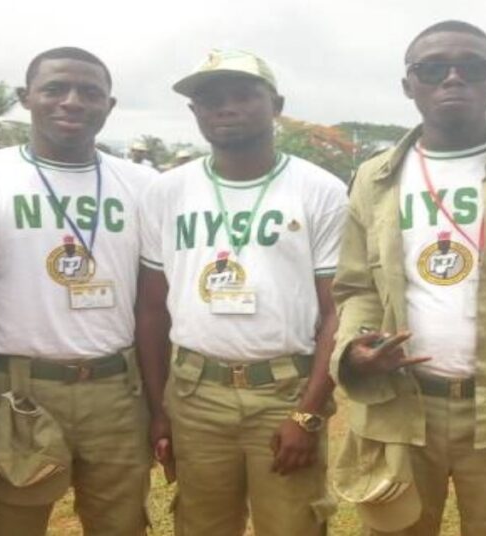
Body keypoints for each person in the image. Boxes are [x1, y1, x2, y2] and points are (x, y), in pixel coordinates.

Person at [329, 20, 486, 535]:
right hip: (401, 408)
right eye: (433, 69)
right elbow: (356, 287)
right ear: (409, 85)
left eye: (471, 67)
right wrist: (355, 349)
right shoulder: (375, 176)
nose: (453, 79)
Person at [0, 47, 159, 535]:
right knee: (14, 523)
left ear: (110, 105)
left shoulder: (144, 185)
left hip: (115, 389)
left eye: (89, 92)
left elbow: (156, 297)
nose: (72, 102)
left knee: (121, 523)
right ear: (26, 98)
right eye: (55, 89)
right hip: (18, 389)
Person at [137, 49, 347, 535]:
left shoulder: (319, 190)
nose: (225, 108)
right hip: (194, 394)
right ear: (195, 113)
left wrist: (309, 413)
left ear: (275, 104)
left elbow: (337, 311)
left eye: (242, 96)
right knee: (201, 524)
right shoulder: (167, 191)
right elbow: (151, 310)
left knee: (292, 525)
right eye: (209, 99)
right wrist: (159, 408)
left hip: (283, 391)